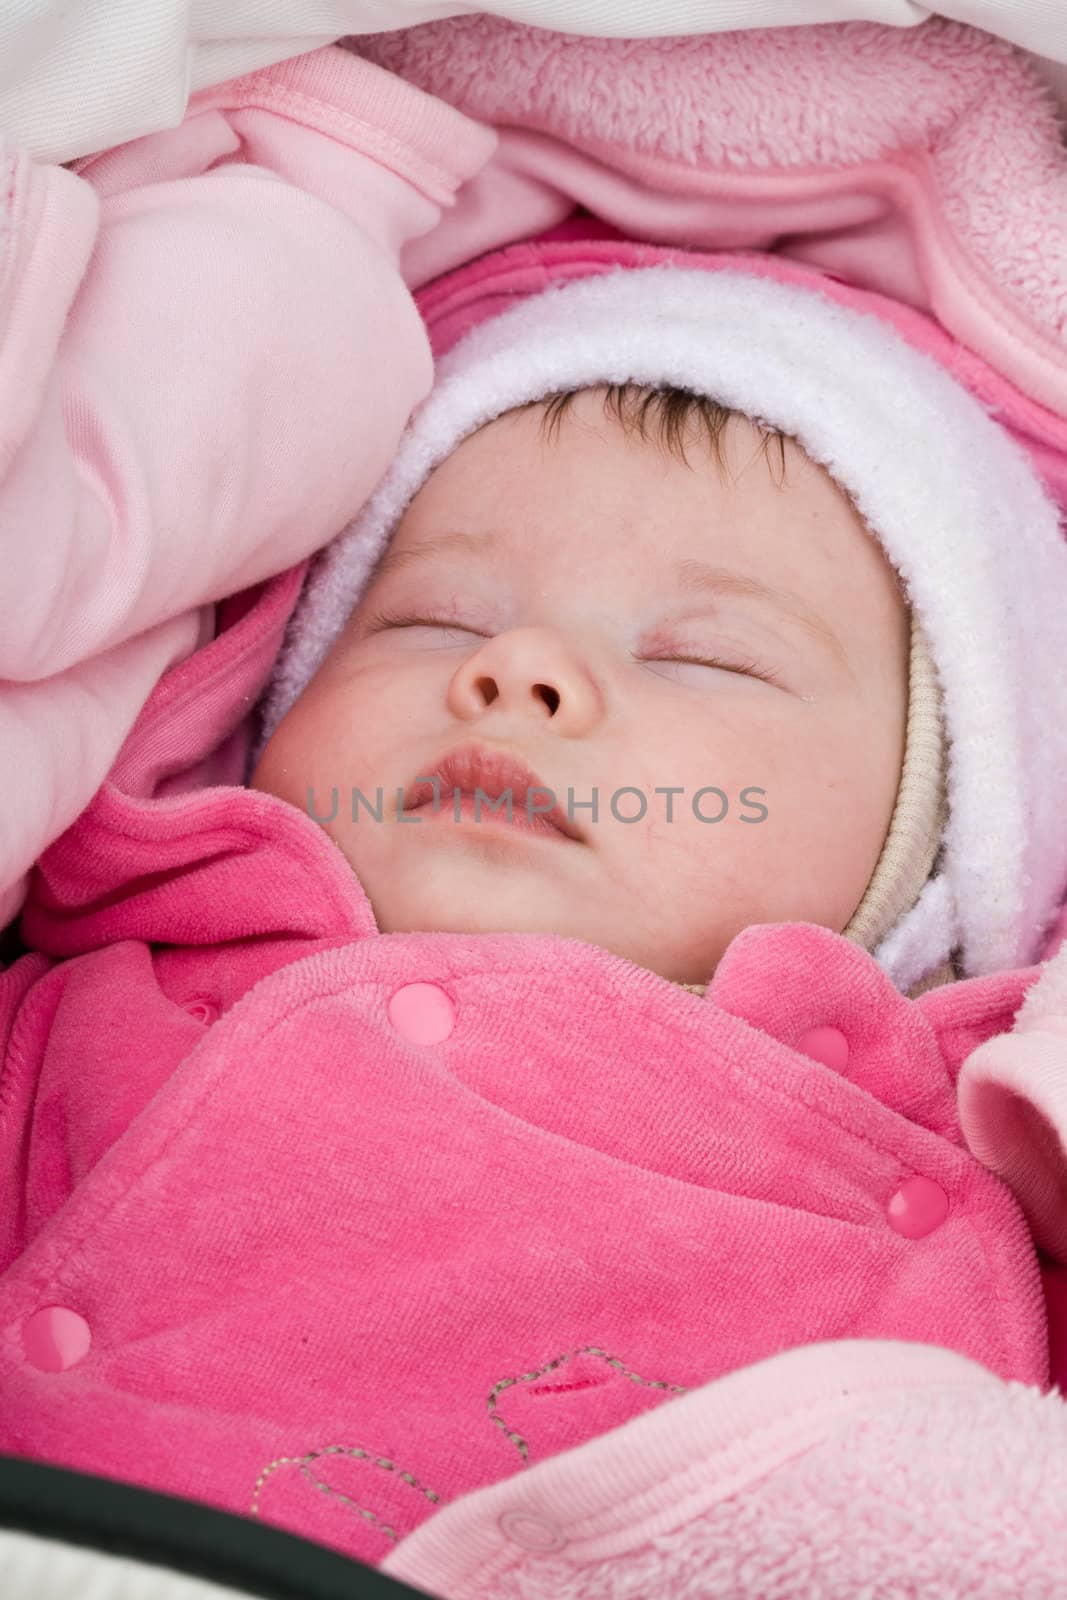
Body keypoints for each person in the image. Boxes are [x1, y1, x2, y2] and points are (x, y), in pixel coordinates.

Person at [3, 40, 1067, 1582]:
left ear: (942, 846)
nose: (522, 675)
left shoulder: (989, 1146)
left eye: (702, 654)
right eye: (430, 621)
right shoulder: (95, 1005)